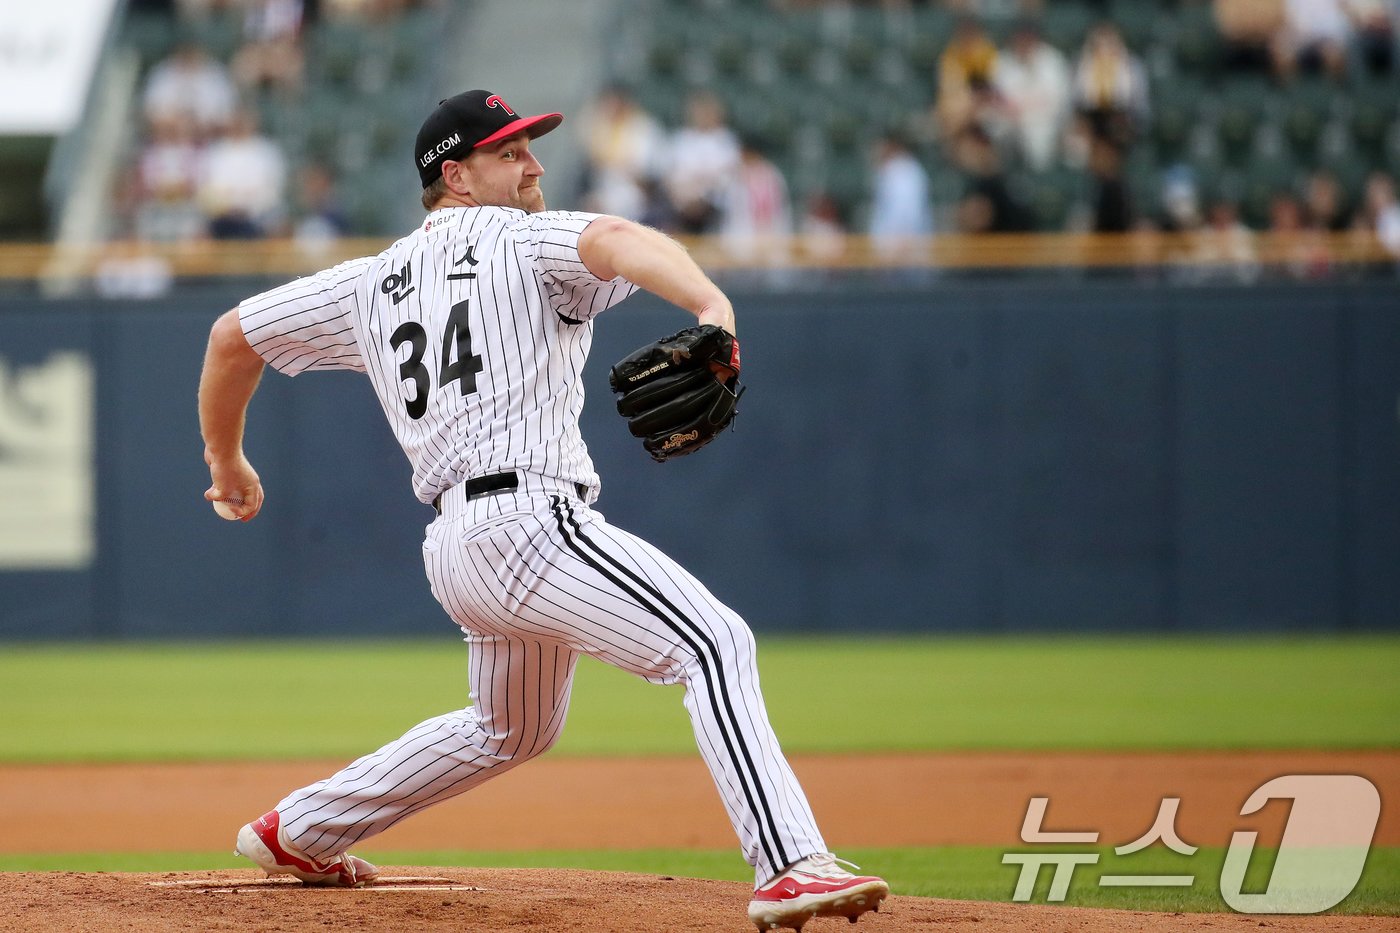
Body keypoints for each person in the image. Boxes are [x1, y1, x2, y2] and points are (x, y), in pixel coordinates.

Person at [197, 89, 888, 932]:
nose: (534, 165)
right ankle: (788, 864)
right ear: (456, 174)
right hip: (528, 522)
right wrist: (714, 308)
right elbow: (619, 239)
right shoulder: (525, 240)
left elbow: (232, 335)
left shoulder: (368, 281)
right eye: (510, 151)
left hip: (456, 545)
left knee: (511, 727)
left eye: (531, 147)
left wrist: (225, 458)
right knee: (713, 641)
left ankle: (300, 830)